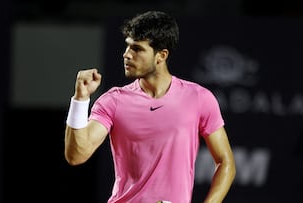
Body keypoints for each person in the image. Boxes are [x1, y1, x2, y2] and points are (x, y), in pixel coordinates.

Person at [64, 10, 236, 203]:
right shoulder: (113, 101)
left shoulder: (199, 98)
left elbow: (225, 162)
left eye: (137, 49)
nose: (127, 55)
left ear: (161, 56)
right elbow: (76, 155)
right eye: (127, 47)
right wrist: (80, 99)